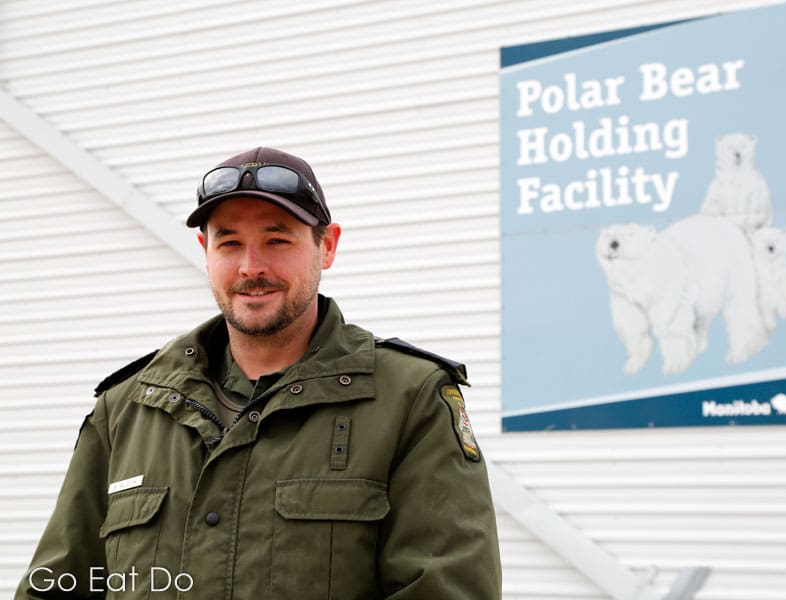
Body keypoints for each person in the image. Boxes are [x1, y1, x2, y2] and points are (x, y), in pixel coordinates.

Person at [16, 147, 502, 599]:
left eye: (277, 239)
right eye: (230, 242)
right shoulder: (126, 408)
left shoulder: (409, 399)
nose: (252, 267)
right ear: (205, 249)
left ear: (326, 247)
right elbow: (56, 585)